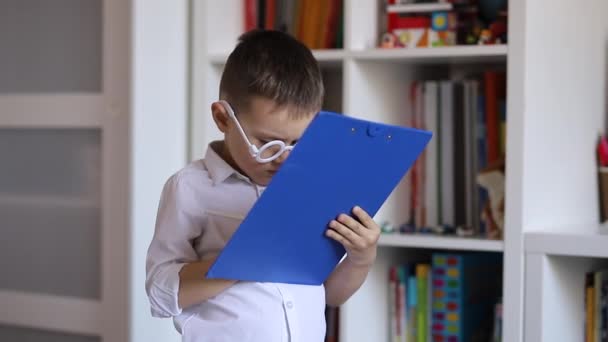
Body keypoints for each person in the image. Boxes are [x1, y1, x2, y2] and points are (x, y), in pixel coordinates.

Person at [145, 29, 380, 342]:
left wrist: (360, 258)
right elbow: (160, 294)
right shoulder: (189, 188)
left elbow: (329, 295)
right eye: (268, 143)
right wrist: (240, 262)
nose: (283, 158)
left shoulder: (310, 190)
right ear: (223, 118)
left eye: (298, 141)